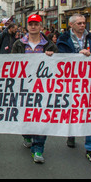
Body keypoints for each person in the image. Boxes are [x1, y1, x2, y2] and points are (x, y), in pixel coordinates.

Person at [11, 14, 58, 164]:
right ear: (27, 26)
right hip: (23, 87)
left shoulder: (49, 45)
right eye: (31, 24)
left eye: (36, 24)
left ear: (41, 26)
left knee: (41, 116)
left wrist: (52, 57)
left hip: (43, 87)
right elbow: (12, 63)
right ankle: (27, 134)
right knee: (25, 115)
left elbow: (61, 65)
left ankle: (38, 148)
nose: (33, 26)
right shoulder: (19, 44)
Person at [56, 13, 91, 164]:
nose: (83, 25)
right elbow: (61, 57)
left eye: (84, 23)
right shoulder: (63, 39)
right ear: (71, 25)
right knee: (72, 110)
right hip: (71, 81)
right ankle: (72, 133)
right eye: (79, 23)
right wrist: (77, 55)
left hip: (90, 81)